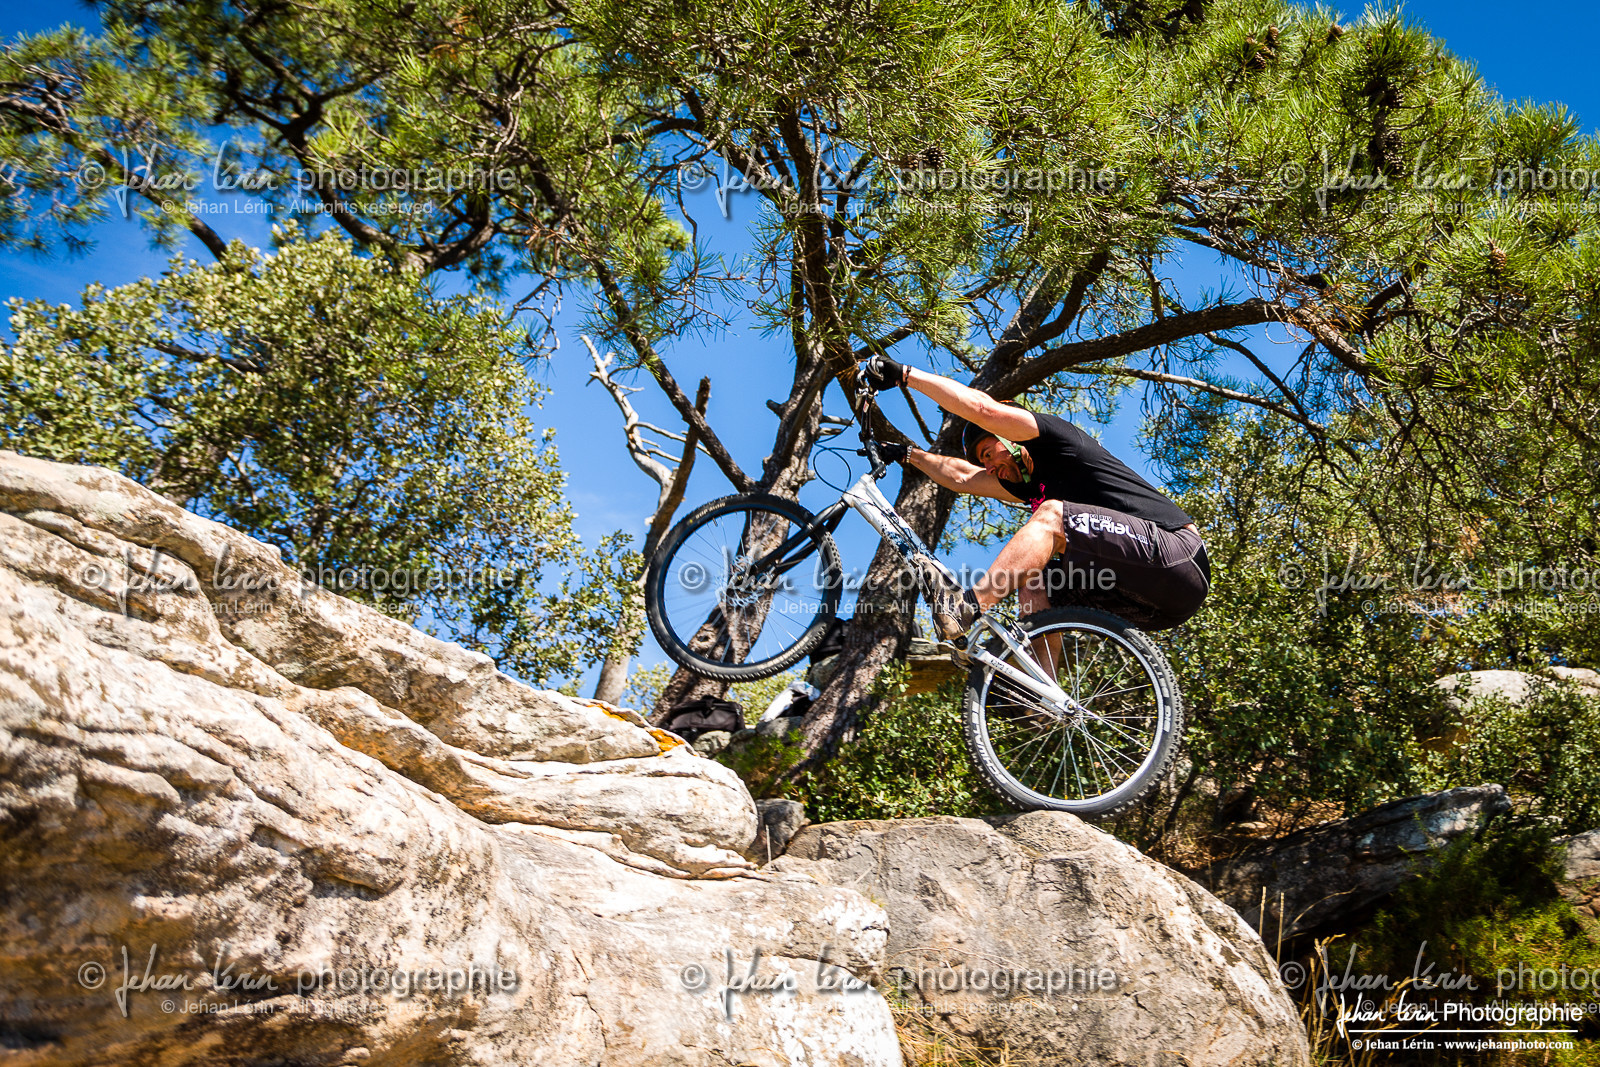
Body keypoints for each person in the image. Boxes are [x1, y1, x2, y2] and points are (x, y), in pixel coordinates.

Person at [861, 355, 1210, 641]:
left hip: (1178, 558)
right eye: (983, 461)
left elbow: (984, 410)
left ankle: (966, 607)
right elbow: (962, 477)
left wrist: (906, 375)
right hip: (1148, 605)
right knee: (1034, 579)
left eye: (989, 451)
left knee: (1050, 516)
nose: (989, 466)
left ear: (1011, 435)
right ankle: (1044, 702)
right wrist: (909, 455)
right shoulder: (1023, 484)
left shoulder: (1055, 440)